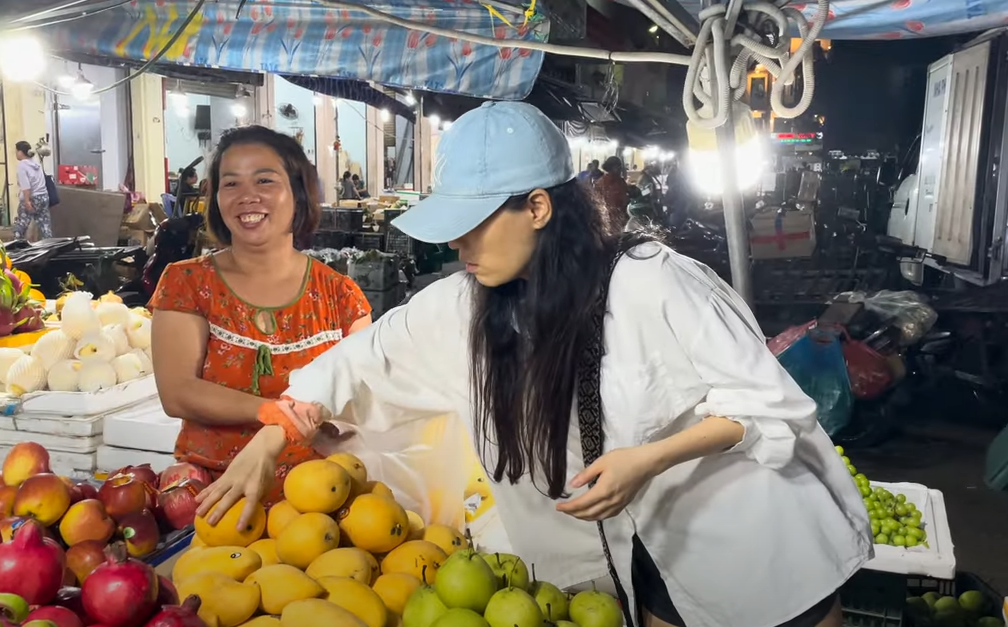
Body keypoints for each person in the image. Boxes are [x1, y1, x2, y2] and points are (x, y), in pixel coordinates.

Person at [194, 102, 872, 627]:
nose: (457, 240)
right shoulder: (462, 305)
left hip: (749, 538)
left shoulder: (655, 282)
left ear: (539, 207)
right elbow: (357, 364)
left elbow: (766, 406)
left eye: (474, 220)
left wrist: (652, 456)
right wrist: (272, 430)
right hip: (642, 564)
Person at [149, 126, 373, 505]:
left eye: (265, 180)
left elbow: (361, 396)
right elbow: (178, 393)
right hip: (215, 501)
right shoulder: (185, 283)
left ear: (299, 192)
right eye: (230, 184)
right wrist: (272, 412)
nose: (247, 196)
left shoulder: (341, 295)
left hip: (323, 504)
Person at [13, 140, 51, 240]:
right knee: (44, 224)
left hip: (32, 198)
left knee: (22, 222)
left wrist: (27, 201)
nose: (16, 154)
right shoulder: (35, 162)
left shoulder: (22, 165)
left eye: (16, 151)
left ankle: (17, 245)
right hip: (44, 197)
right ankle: (50, 246)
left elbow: (26, 186)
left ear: (20, 152)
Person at [594, 156, 629, 232]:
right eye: (618, 167)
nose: (620, 169)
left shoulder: (621, 182)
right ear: (612, 167)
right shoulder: (602, 183)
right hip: (608, 220)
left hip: (617, 220)